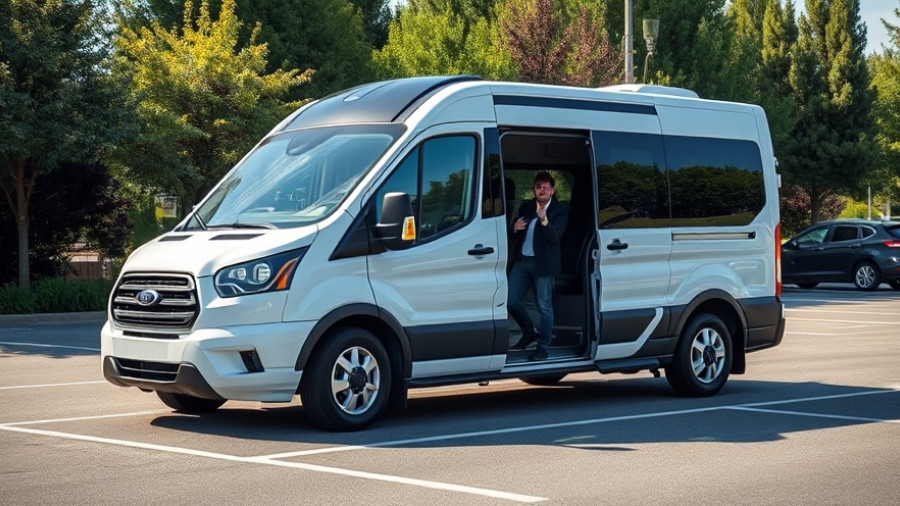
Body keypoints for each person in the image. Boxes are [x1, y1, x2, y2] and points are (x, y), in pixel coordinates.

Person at [508, 171, 568, 360]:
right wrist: (514, 229)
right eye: (538, 187)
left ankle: (543, 346)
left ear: (552, 191)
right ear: (534, 188)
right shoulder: (527, 206)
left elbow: (554, 236)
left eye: (546, 187)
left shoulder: (559, 210)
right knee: (510, 301)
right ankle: (529, 331)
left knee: (544, 306)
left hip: (543, 265)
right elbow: (516, 234)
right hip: (523, 262)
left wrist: (543, 218)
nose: (542, 190)